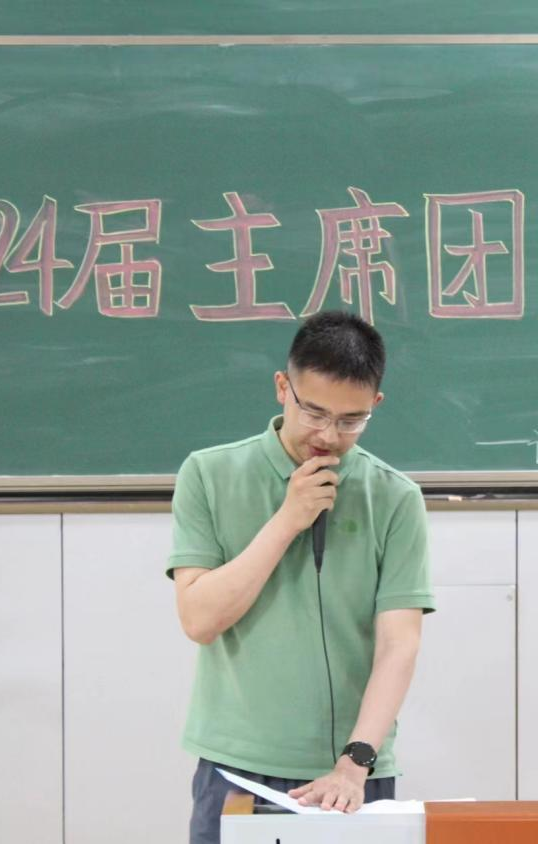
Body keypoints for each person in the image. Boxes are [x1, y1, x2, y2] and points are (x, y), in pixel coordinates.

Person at [167, 311, 436, 844]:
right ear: (282, 388)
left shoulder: (395, 497)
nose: (328, 435)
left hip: (354, 774)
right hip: (239, 769)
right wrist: (288, 519)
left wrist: (356, 762)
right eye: (313, 412)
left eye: (351, 420)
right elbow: (199, 620)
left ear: (376, 404)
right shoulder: (208, 474)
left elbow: (399, 644)